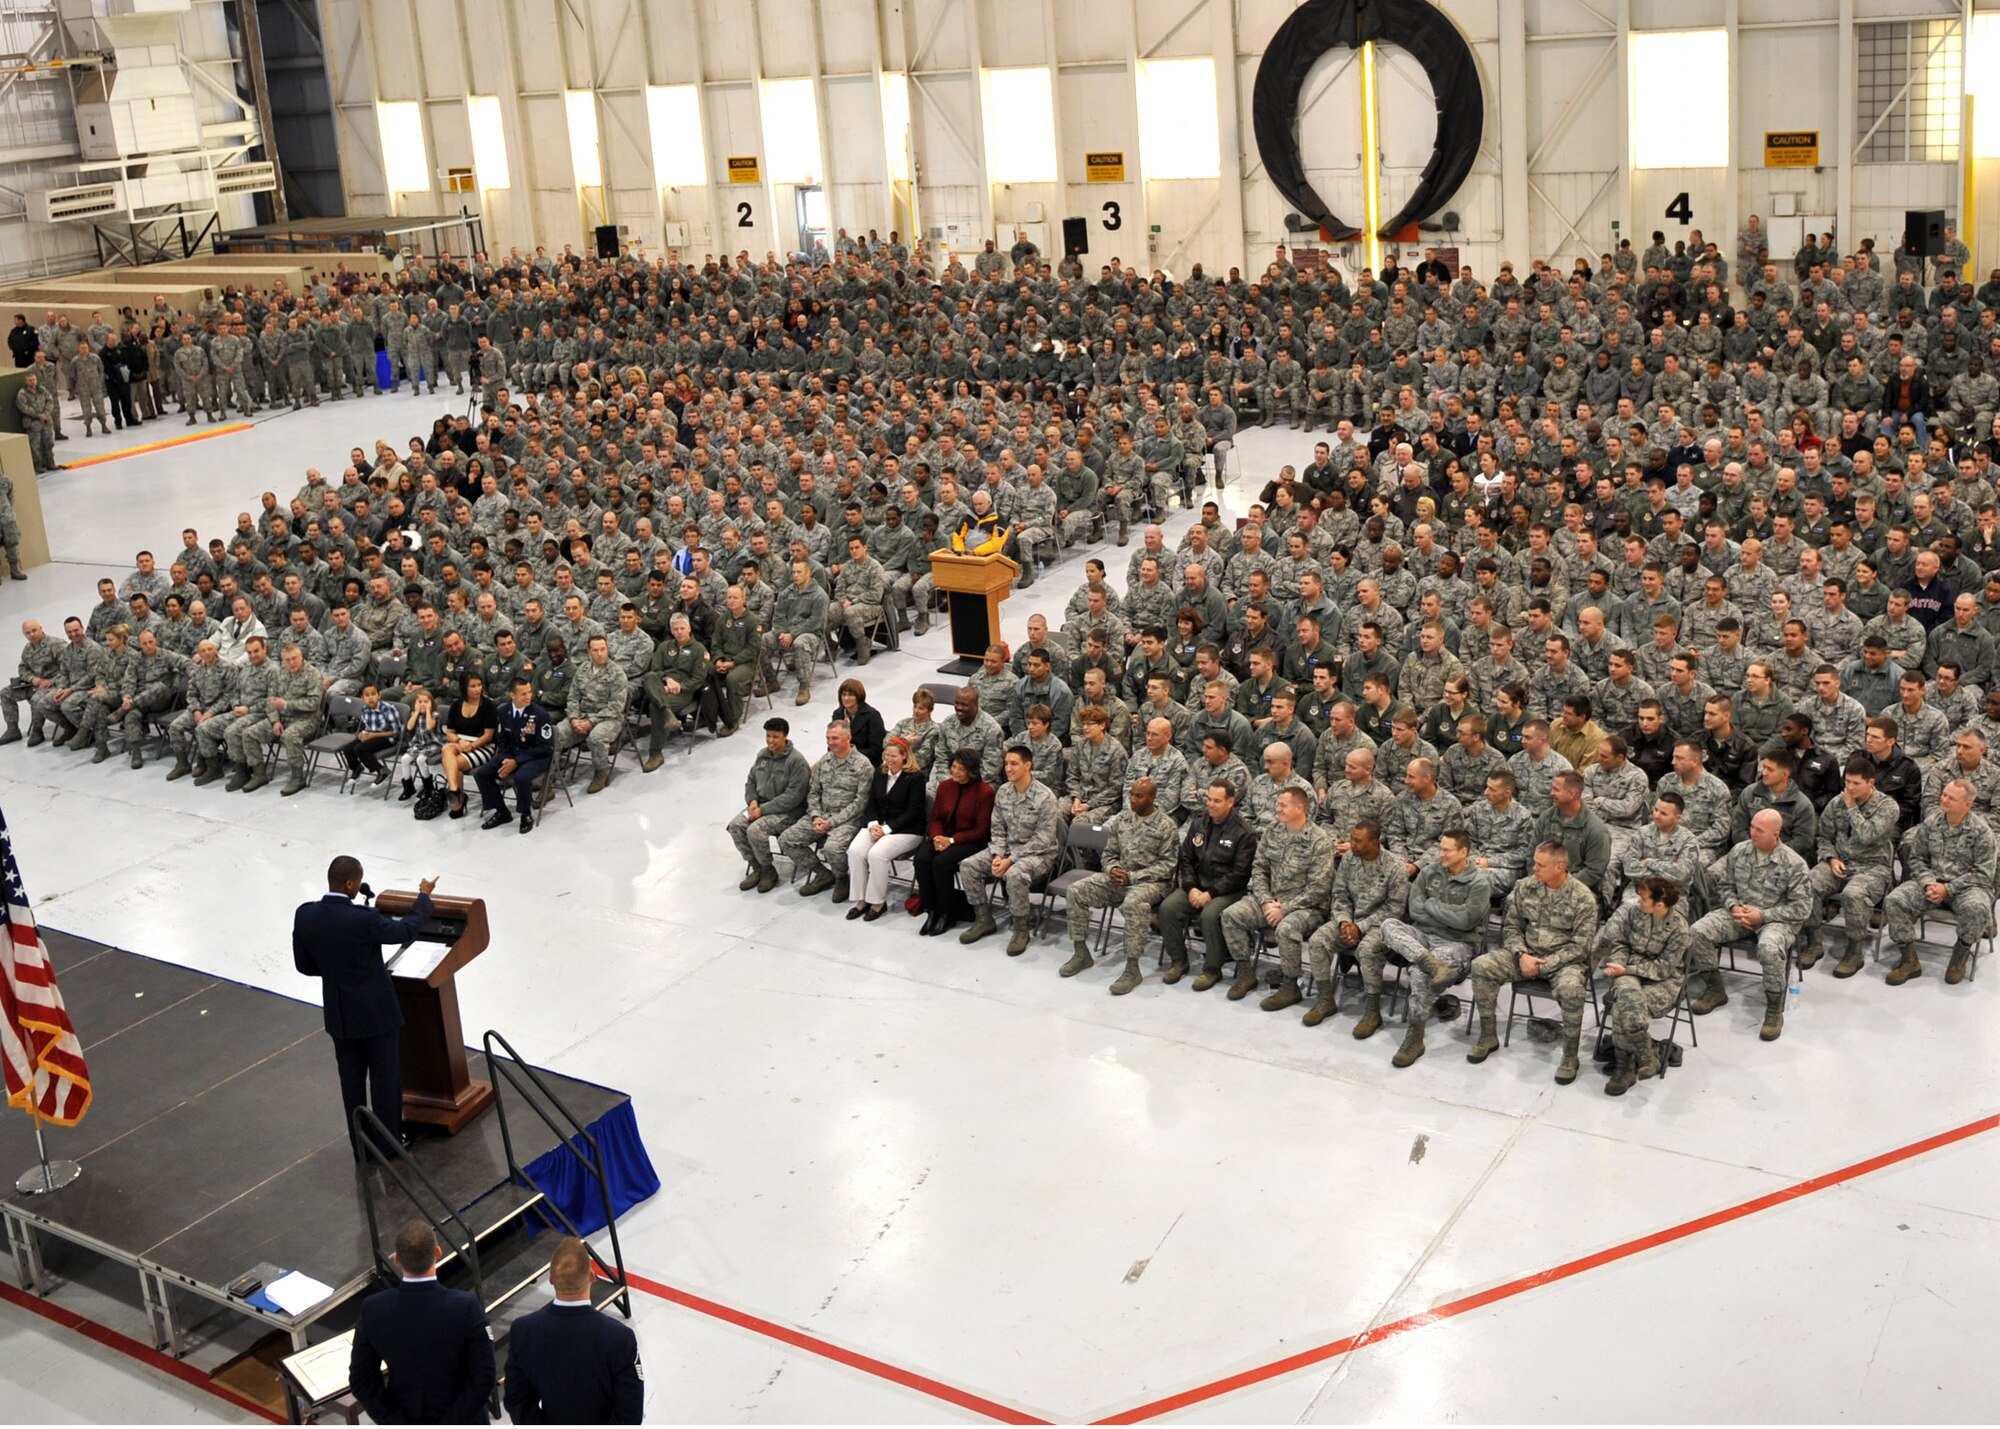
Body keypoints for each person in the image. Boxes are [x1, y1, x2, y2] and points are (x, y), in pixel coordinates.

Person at [291, 858, 438, 1158]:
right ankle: (389, 1144)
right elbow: (404, 931)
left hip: (340, 1016)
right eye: (358, 882)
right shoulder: (362, 920)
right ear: (349, 884)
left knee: (351, 1083)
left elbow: (304, 965)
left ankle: (361, 1146)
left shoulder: (305, 915)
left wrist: (337, 972)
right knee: (385, 1080)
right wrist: (423, 898)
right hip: (376, 1015)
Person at [1467, 842, 1600, 1083]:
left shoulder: (1583, 898)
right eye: (1535, 862)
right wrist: (1521, 955)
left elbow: (1580, 947)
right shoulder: (1526, 887)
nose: (1534, 868)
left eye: (1541, 864)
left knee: (1572, 990)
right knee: (1482, 966)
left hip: (1563, 963)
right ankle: (1488, 1036)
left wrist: (1543, 965)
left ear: (1560, 867)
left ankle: (1570, 1056)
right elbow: (1511, 926)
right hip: (1525, 955)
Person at [349, 1219, 496, 1425]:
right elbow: (484, 1377)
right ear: (438, 1252)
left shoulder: (374, 1309)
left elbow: (361, 1380)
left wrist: (394, 1421)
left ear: (396, 1259)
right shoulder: (465, 1307)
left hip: (406, 1416)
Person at [1366, 828, 1491, 1066]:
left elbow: (1465, 921)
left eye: (1446, 850)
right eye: (1440, 848)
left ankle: (1415, 1036)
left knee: (1419, 973)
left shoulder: (1479, 883)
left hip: (1458, 944)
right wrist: (1446, 913)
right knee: (1388, 925)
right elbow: (1414, 910)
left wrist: (1432, 905)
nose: (1440, 854)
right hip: (1424, 937)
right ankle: (1431, 964)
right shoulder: (1430, 872)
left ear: (1463, 852)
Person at [1687, 809, 1813, 1040]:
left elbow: (1801, 908)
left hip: (1776, 920)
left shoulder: (1794, 864)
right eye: (1752, 827)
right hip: (1740, 912)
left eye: (1759, 830)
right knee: (1698, 931)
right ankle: (1715, 988)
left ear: (1776, 834)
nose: (1752, 832)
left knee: (1769, 947)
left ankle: (1775, 1008)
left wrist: (1762, 916)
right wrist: (1734, 906)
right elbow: (1725, 887)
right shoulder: (1739, 851)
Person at [501, 1236, 643, 1424]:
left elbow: (516, 1398)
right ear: (592, 1276)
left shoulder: (524, 1331)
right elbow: (630, 1413)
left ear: (551, 1279)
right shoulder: (619, 1338)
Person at [1060, 777, 1180, 994]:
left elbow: (1168, 866)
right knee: (1076, 891)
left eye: (1139, 796)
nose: (1132, 799)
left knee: (1133, 904)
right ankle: (1081, 953)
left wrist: (1132, 877)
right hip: (1119, 878)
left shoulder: (1166, 826)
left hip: (1152, 883)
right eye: (1131, 794)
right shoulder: (1122, 819)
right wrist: (1112, 868)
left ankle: (1132, 969)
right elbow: (1109, 853)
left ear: (1152, 798)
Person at [1219, 786, 1336, 1004]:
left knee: (1286, 929)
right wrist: (1265, 902)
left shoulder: (1319, 841)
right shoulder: (1273, 831)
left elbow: (1320, 887)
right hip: (1270, 900)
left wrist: (1285, 908)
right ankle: (1246, 973)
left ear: (1300, 808)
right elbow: (1259, 868)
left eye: (1283, 805)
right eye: (1278, 804)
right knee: (1231, 915)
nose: (1278, 809)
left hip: (1306, 907)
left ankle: (1290, 986)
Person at [1880, 778, 1997, 986]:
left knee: (1978, 908)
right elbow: (1916, 858)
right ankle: (1909, 960)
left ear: (1967, 804)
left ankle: (1960, 954)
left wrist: (1948, 889)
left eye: (1951, 798)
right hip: (1932, 883)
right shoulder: (1931, 823)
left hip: (1966, 888)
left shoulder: (1981, 832)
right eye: (1944, 794)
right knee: (1895, 900)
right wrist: (1928, 883)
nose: (1944, 799)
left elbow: (1983, 873)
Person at [958, 744, 1065, 954]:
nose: (1008, 768)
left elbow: (1042, 840)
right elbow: (997, 829)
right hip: (1005, 850)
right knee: (968, 866)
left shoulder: (1045, 797)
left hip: (1038, 855)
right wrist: (998, 854)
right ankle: (983, 918)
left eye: (1014, 764)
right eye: (1006, 763)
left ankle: (1020, 927)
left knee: (1015, 874)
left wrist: (1011, 859)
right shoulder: (1003, 792)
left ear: (1028, 765)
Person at [1301, 816, 1404, 1026]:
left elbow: (1394, 910)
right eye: (1352, 839)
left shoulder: (1395, 868)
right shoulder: (1348, 859)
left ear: (1374, 843)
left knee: (1367, 950)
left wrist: (1360, 926)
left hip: (1379, 927)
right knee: (1318, 941)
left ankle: (1372, 1012)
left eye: (1358, 841)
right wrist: (1344, 922)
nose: (1352, 844)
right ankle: (1325, 999)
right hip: (1349, 921)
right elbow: (1339, 894)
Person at [1159, 778, 1257, 988]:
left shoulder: (1243, 832)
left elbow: (1240, 874)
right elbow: (1185, 858)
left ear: (1230, 802)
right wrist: (1191, 887)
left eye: (1217, 801)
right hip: (1197, 885)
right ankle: (1178, 960)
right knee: (1168, 908)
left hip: (1227, 891)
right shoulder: (1199, 822)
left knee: (1210, 915)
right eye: (1209, 799)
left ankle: (1212, 969)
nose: (1210, 804)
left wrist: (1210, 893)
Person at [1596, 877, 1690, 1095]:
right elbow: (1621, 943)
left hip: (1663, 982)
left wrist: (1627, 969)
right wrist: (1619, 963)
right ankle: (1645, 1052)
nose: (1638, 900)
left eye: (1644, 898)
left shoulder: (1679, 929)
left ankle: (1625, 1068)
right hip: (1628, 973)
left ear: (1659, 905)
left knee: (1622, 1007)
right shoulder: (1633, 913)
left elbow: (1663, 969)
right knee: (1628, 994)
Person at [1807, 756, 1900, 977]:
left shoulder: (1887, 806)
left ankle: (1855, 950)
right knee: (1806, 883)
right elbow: (1823, 837)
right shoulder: (1835, 803)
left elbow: (1867, 835)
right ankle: (1814, 942)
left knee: (1853, 894)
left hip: (1873, 868)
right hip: (1840, 863)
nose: (1849, 788)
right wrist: (1831, 858)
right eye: (1847, 782)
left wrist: (1851, 808)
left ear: (1871, 782)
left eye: (1856, 783)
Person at [782, 718, 875, 902]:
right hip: (820, 815)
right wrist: (816, 816)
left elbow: (860, 803)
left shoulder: (863, 766)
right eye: (828, 738)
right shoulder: (824, 761)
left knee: (832, 849)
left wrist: (831, 823)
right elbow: (814, 792)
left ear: (848, 737)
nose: (830, 742)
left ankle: (841, 878)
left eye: (835, 738)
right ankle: (822, 873)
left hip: (847, 820)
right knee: (787, 840)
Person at [844, 736, 926, 920]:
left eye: (894, 756)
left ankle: (877, 902)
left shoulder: (916, 778)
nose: (889, 759)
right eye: (886, 755)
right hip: (879, 825)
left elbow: (913, 811)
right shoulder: (879, 773)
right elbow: (871, 803)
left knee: (876, 854)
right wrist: (873, 824)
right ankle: (861, 900)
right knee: (855, 851)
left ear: (905, 756)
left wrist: (887, 829)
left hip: (906, 829)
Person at [728, 718, 812, 893]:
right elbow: (751, 781)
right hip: (760, 806)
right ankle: (756, 866)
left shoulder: (796, 762)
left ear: (785, 736)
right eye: (768, 736)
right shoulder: (762, 755)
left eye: (776, 736)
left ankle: (768, 870)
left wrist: (762, 810)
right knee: (736, 825)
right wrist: (752, 801)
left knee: (755, 830)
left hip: (789, 812)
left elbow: (793, 797)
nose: (771, 741)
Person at [914, 750, 993, 935]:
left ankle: (946, 912)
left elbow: (981, 830)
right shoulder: (945, 786)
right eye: (953, 767)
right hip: (942, 837)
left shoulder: (985, 792)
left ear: (971, 771)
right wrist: (937, 837)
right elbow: (935, 819)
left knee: (941, 863)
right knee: (922, 859)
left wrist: (951, 840)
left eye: (960, 768)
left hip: (970, 840)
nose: (955, 771)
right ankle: (930, 910)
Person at [474, 676, 554, 833]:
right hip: (511, 754)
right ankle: (501, 811)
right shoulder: (503, 712)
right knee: (481, 773)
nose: (528, 696)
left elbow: (545, 748)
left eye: (530, 692)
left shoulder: (540, 715)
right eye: (523, 694)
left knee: (521, 777)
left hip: (536, 756)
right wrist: (507, 759)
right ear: (512, 695)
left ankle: (526, 813)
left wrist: (516, 761)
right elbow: (502, 740)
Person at [439, 671, 498, 819]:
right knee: (447, 748)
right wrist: (459, 742)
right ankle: (455, 791)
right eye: (473, 686)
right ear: (464, 688)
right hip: (461, 743)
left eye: (479, 685)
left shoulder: (488, 705)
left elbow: (488, 735)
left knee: (452, 764)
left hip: (483, 746)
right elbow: (450, 732)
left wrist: (471, 746)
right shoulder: (456, 705)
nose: (477, 689)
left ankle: (457, 799)